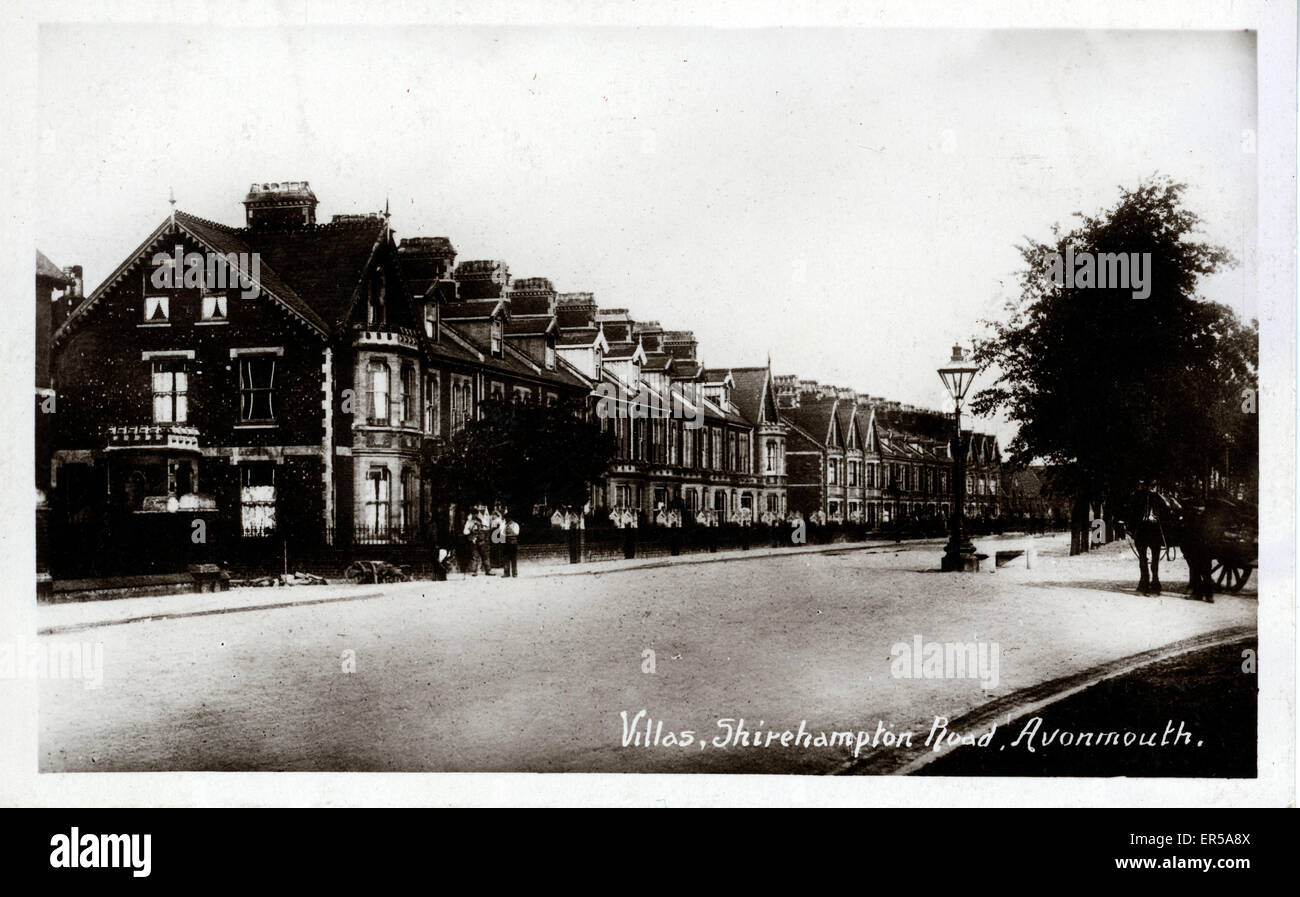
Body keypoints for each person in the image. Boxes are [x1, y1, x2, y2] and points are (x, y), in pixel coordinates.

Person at [500, 510, 520, 577]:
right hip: (506, 543)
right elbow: (501, 533)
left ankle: (514, 573)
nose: (507, 520)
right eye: (506, 518)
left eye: (508, 518)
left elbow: (516, 533)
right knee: (506, 558)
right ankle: (506, 573)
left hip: (513, 543)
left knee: (513, 558)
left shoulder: (515, 525)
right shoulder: (503, 525)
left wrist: (508, 533)